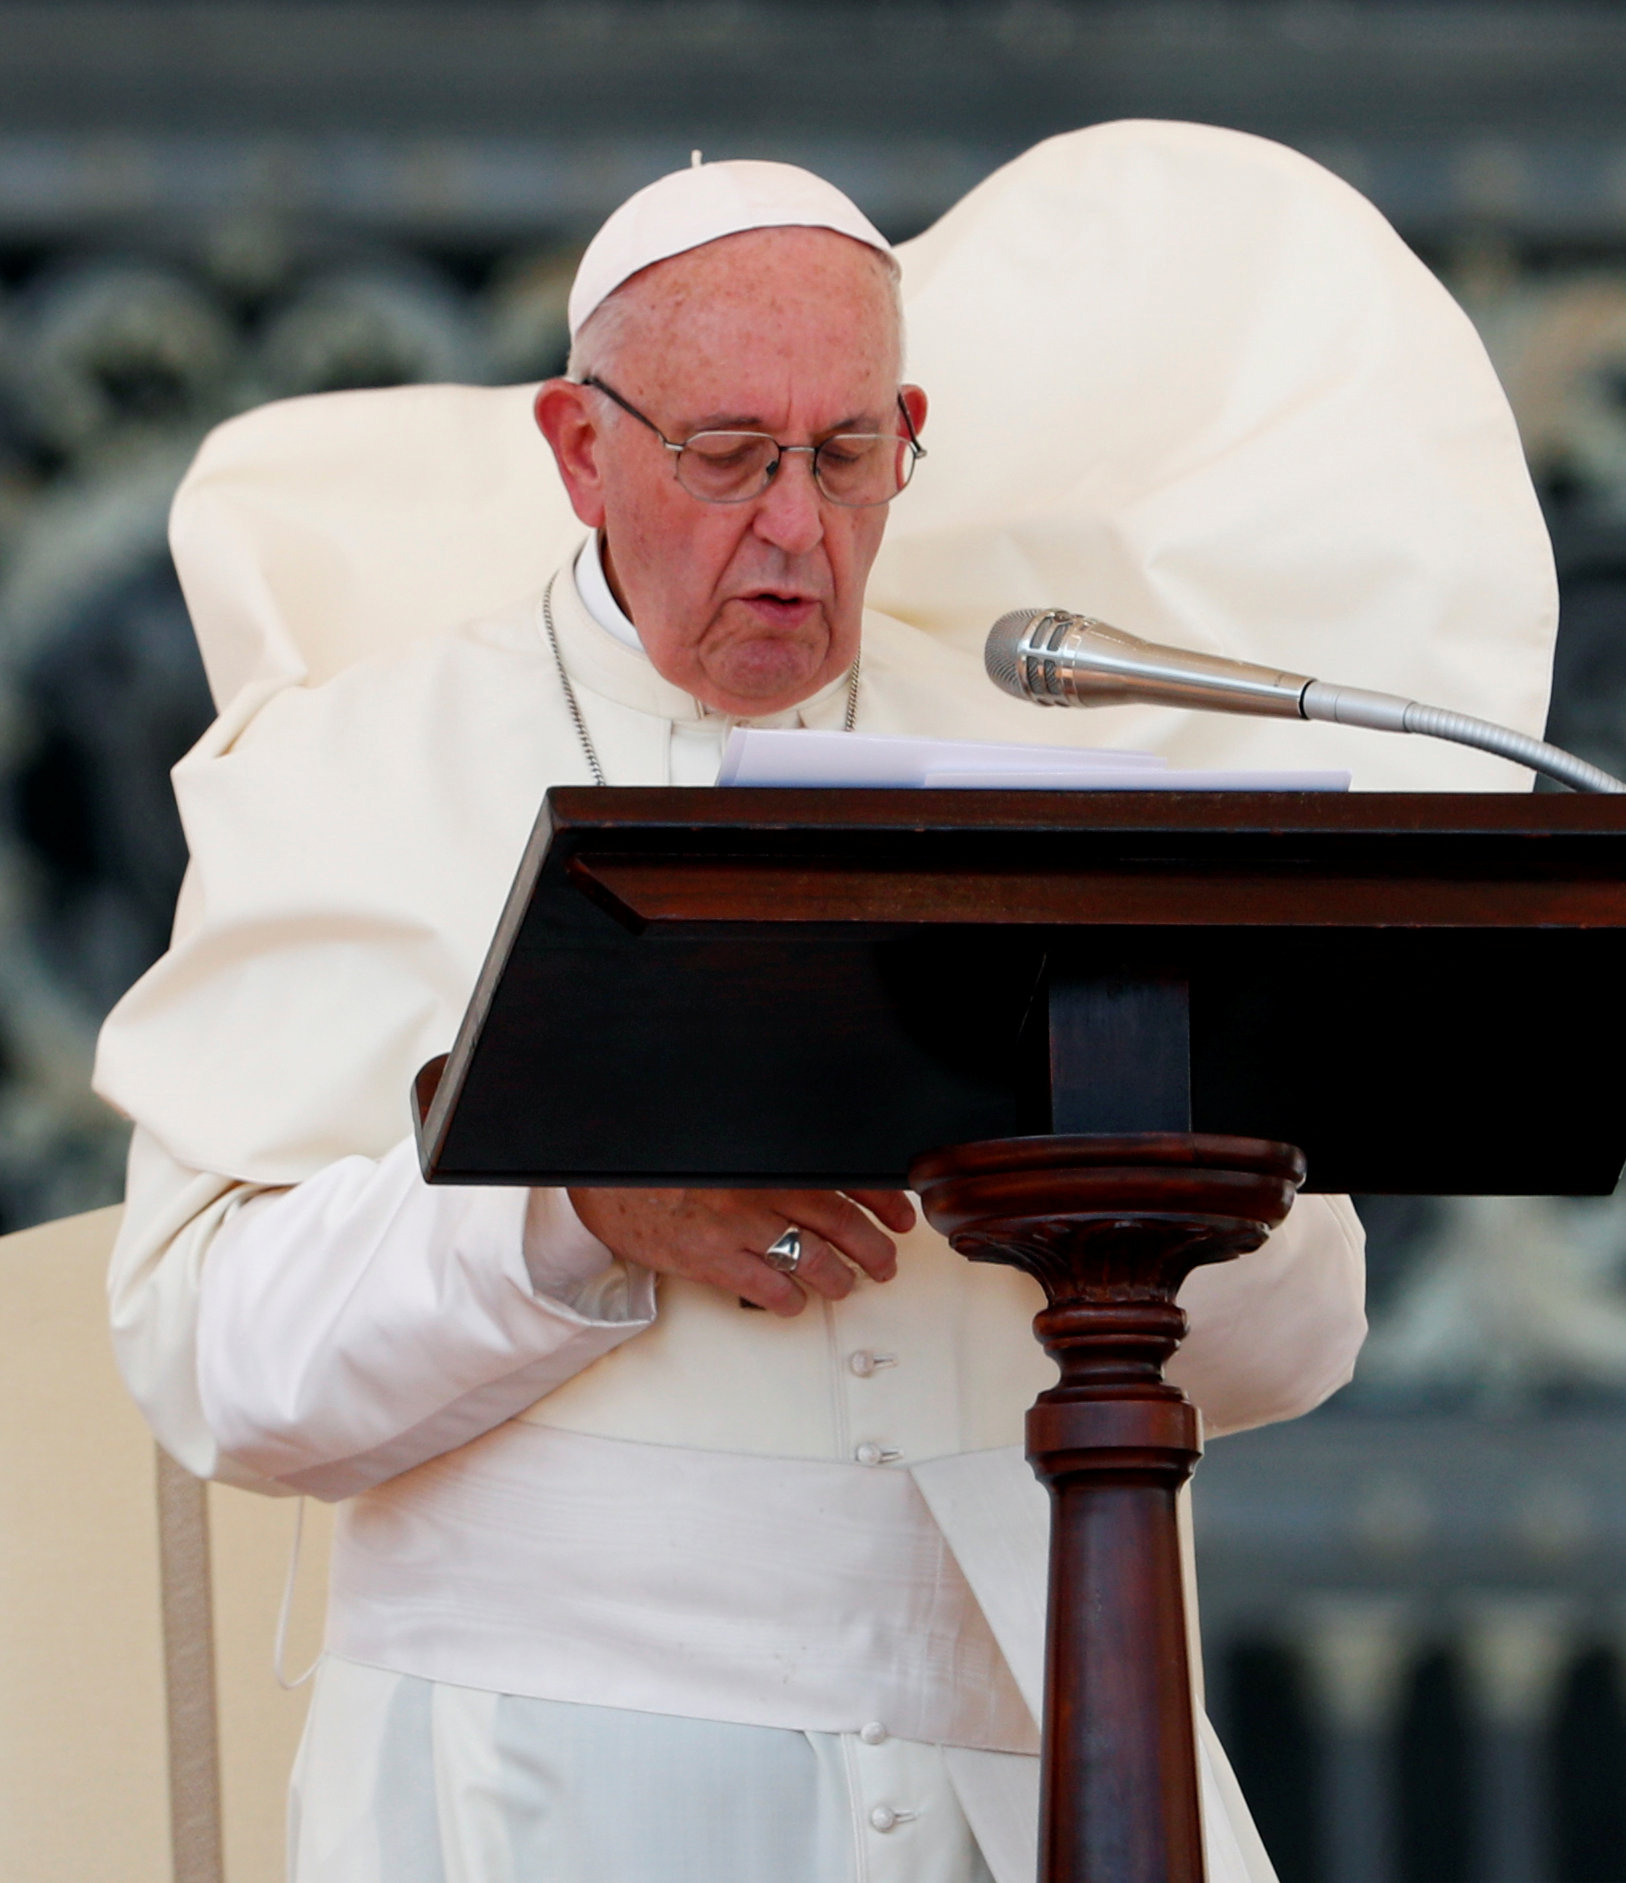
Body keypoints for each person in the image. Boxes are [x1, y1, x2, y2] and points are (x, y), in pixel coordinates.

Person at [96, 156, 1377, 1883]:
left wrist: (1115, 1179)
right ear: (579, 449)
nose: (793, 525)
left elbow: (1301, 1343)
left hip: (1024, 1762)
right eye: (725, 457)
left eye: (847, 457)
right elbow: (207, 1362)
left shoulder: (1052, 777)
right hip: (543, 1787)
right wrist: (579, 1207)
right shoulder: (352, 769)